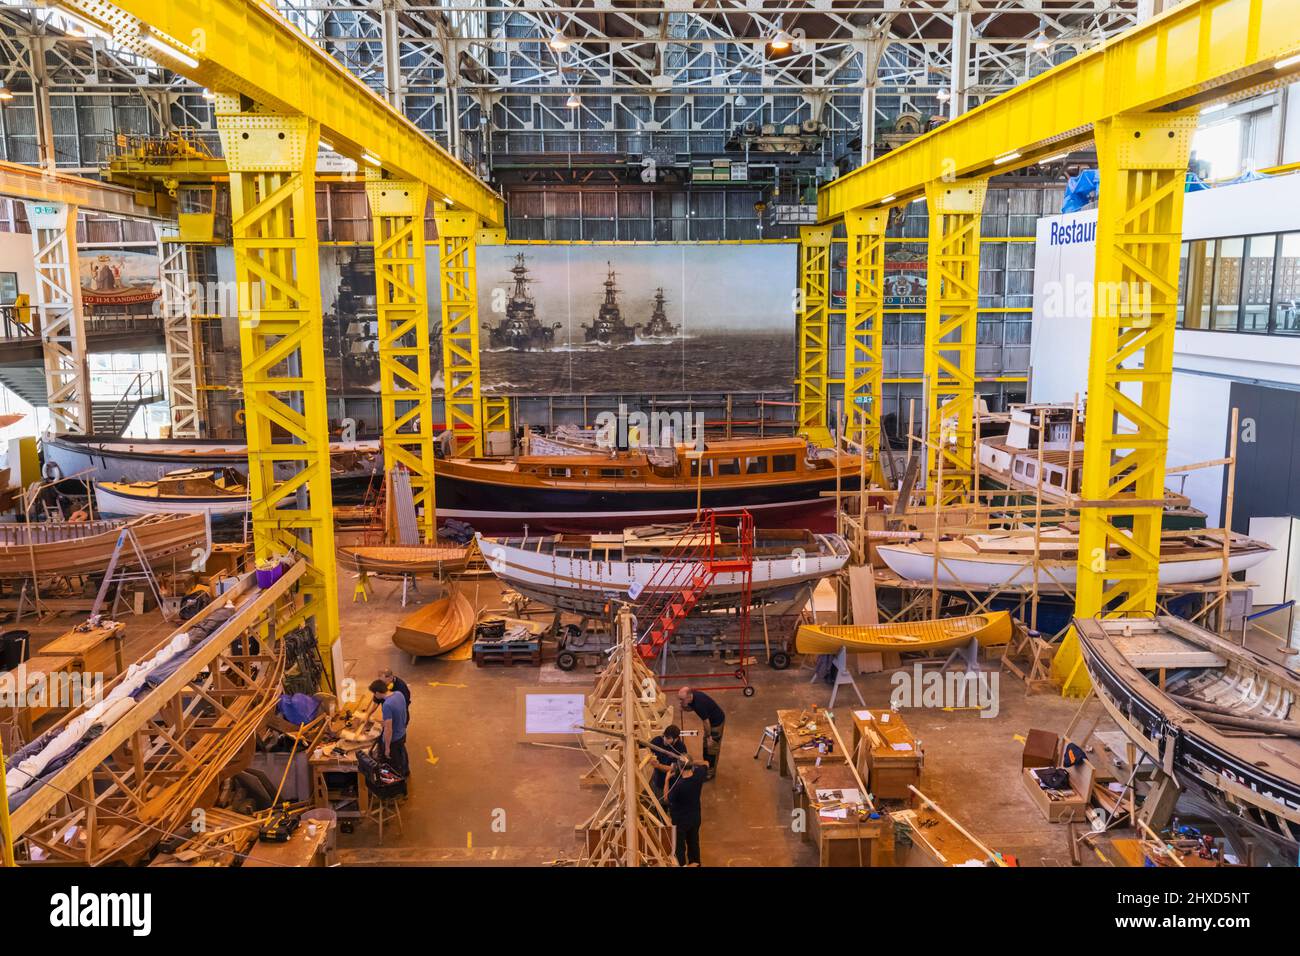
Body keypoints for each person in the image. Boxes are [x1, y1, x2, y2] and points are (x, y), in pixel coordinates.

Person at [677, 687, 725, 780]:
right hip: (710, 722)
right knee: (706, 747)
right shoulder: (692, 697)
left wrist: (709, 736)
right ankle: (705, 765)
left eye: (682, 699)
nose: (680, 701)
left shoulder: (700, 704)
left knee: (712, 749)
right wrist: (684, 707)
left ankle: (710, 773)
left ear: (689, 696)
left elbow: (706, 722)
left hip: (716, 723)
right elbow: (691, 708)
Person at [665, 759, 706, 866]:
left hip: (680, 821)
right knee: (693, 843)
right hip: (695, 818)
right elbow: (706, 763)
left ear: (680, 768)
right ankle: (696, 863)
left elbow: (666, 798)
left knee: (680, 847)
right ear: (692, 766)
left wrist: (667, 779)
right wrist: (691, 761)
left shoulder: (678, 786)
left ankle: (682, 864)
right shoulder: (699, 776)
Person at [369, 678, 410, 777]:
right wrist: (381, 722)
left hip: (394, 739)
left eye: (374, 693)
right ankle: (405, 772)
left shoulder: (387, 705)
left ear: (378, 692)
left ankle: (394, 782)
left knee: (391, 764)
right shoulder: (399, 694)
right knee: (402, 754)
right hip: (402, 733)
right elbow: (401, 714)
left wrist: (387, 748)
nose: (374, 696)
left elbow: (388, 730)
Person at [648, 724, 688, 801]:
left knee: (669, 801)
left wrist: (658, 765)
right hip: (658, 779)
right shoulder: (658, 740)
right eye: (665, 736)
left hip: (672, 782)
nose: (665, 740)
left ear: (676, 739)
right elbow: (645, 747)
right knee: (659, 799)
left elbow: (673, 768)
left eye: (668, 738)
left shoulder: (681, 748)